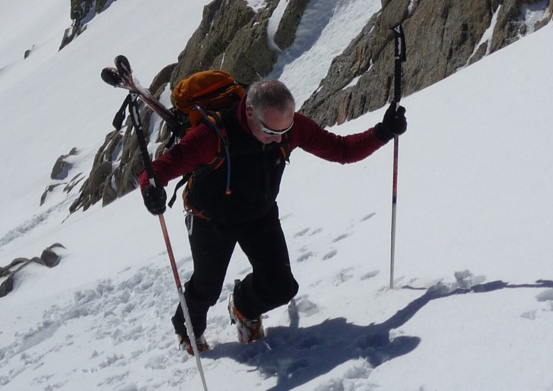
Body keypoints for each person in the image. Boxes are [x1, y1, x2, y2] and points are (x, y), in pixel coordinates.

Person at [138, 78, 406, 352]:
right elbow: (158, 169)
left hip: (259, 214)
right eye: (270, 131)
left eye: (284, 130)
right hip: (211, 219)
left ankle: (243, 306)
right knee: (206, 289)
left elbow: (341, 150)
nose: (279, 138)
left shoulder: (289, 129)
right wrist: (151, 190)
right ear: (250, 113)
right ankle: (187, 331)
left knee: (281, 288)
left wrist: (383, 132)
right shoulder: (213, 134)